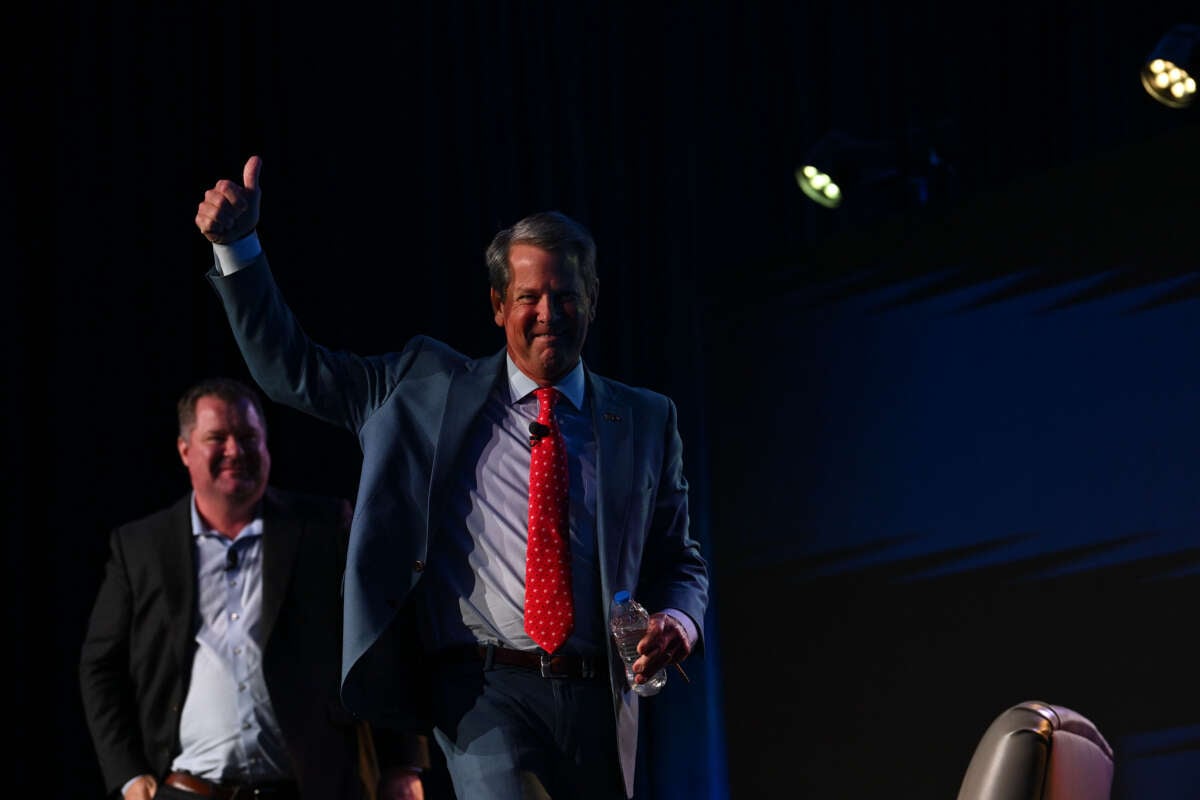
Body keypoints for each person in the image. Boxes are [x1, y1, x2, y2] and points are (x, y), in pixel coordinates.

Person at [192, 155, 710, 800]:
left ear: (593, 301)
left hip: (599, 692)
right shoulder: (420, 386)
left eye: (566, 295)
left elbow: (679, 561)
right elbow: (291, 369)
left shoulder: (644, 418)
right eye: (529, 297)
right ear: (498, 304)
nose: (549, 312)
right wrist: (239, 248)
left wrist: (680, 622)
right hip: (481, 688)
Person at [79, 377, 429, 800]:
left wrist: (403, 763)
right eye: (217, 438)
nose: (234, 451)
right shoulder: (141, 547)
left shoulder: (321, 528)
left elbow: (380, 640)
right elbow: (101, 666)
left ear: (267, 445)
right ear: (184, 450)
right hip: (186, 788)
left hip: (310, 786)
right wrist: (129, 773)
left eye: (248, 437)